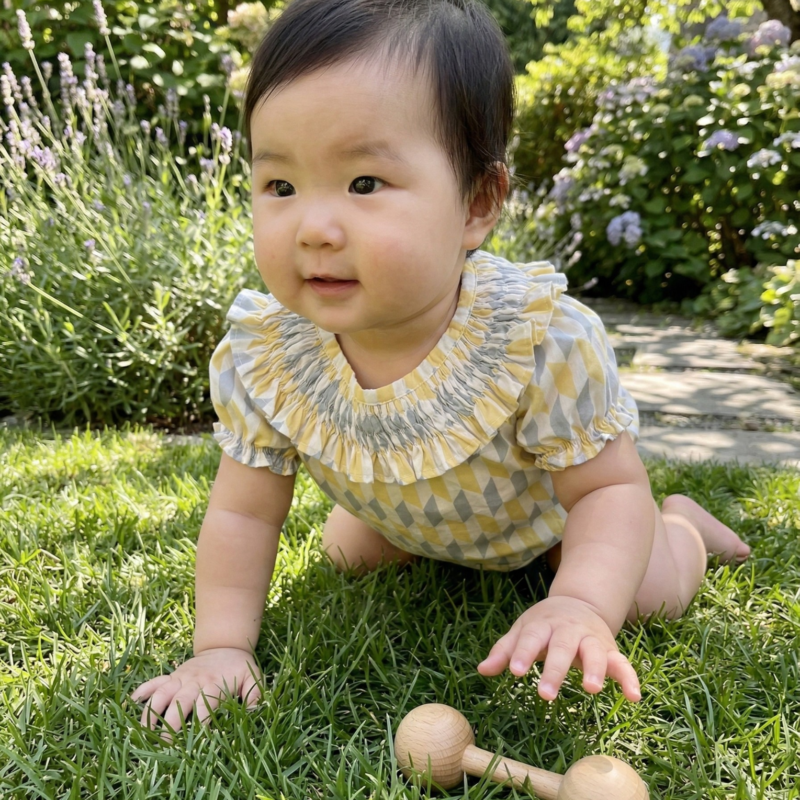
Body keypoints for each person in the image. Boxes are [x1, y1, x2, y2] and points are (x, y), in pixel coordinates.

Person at [131, 0, 751, 737]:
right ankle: (417, 533)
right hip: (410, 514)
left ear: (477, 205)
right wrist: (221, 647)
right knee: (345, 552)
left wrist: (580, 602)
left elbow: (606, 488)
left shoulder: (536, 339)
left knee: (648, 589)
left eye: (364, 184)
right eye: (281, 187)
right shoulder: (270, 352)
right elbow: (243, 510)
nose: (315, 229)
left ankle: (681, 525)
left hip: (548, 518)